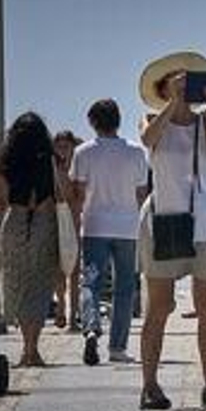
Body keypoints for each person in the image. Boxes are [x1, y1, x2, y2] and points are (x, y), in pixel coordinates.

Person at [136, 52, 206, 408]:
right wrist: (172, 106)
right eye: (175, 80)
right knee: (159, 307)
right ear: (162, 88)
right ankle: (149, 386)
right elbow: (149, 141)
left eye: (187, 80)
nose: (183, 85)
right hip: (163, 221)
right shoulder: (151, 118)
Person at [69, 100, 149, 366]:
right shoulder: (136, 153)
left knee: (91, 282)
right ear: (118, 120)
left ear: (93, 122)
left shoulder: (83, 152)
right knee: (125, 287)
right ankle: (118, 347)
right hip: (127, 227)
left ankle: (91, 328)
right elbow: (141, 194)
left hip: (94, 226)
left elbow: (78, 193)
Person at [0, 112, 64, 368]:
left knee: (18, 286)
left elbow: (2, 202)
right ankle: (34, 348)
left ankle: (26, 349)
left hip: (16, 223)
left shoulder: (4, 164)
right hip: (45, 223)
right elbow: (60, 193)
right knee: (40, 287)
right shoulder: (52, 161)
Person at [52, 129, 83, 330]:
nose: (62, 150)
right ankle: (61, 307)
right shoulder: (51, 168)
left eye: (66, 146)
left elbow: (81, 198)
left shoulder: (78, 168)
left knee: (75, 271)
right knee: (58, 270)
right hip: (56, 222)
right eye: (59, 146)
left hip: (74, 222)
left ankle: (73, 316)